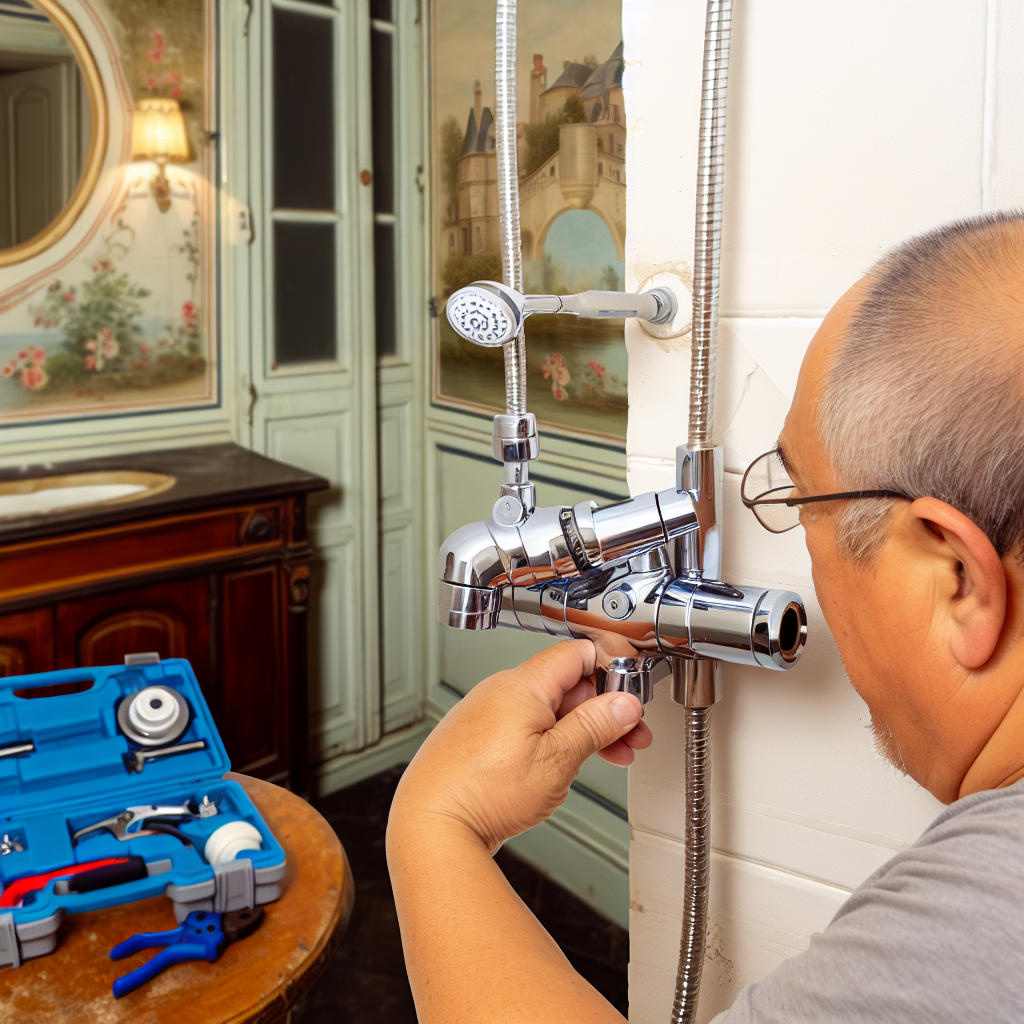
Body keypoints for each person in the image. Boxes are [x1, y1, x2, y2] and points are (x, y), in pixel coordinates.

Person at [386, 211, 1024, 1023]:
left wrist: (435, 820)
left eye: (801, 501)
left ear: (960, 576)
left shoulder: (988, 916)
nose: (802, 538)